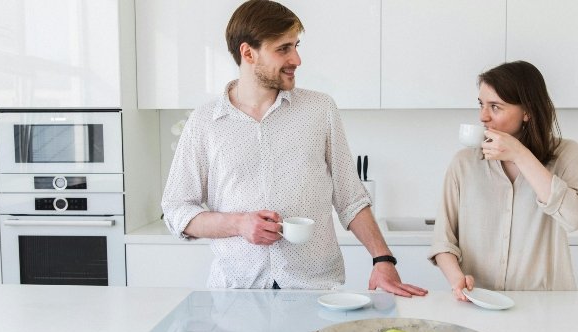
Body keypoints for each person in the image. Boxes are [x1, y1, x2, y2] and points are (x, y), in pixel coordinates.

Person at [161, 0, 426, 297]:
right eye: (283, 48)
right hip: (238, 292)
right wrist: (239, 224)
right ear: (248, 53)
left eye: (296, 46)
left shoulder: (319, 109)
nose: (296, 59)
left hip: (315, 290)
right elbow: (176, 211)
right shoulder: (205, 122)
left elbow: (350, 198)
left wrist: (383, 259)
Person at [429, 61, 578, 299]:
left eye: (495, 107)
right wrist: (457, 279)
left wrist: (520, 154)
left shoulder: (566, 154)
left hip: (549, 305)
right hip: (480, 301)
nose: (483, 116)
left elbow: (574, 218)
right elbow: (443, 242)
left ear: (527, 111)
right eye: (481, 104)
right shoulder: (464, 163)